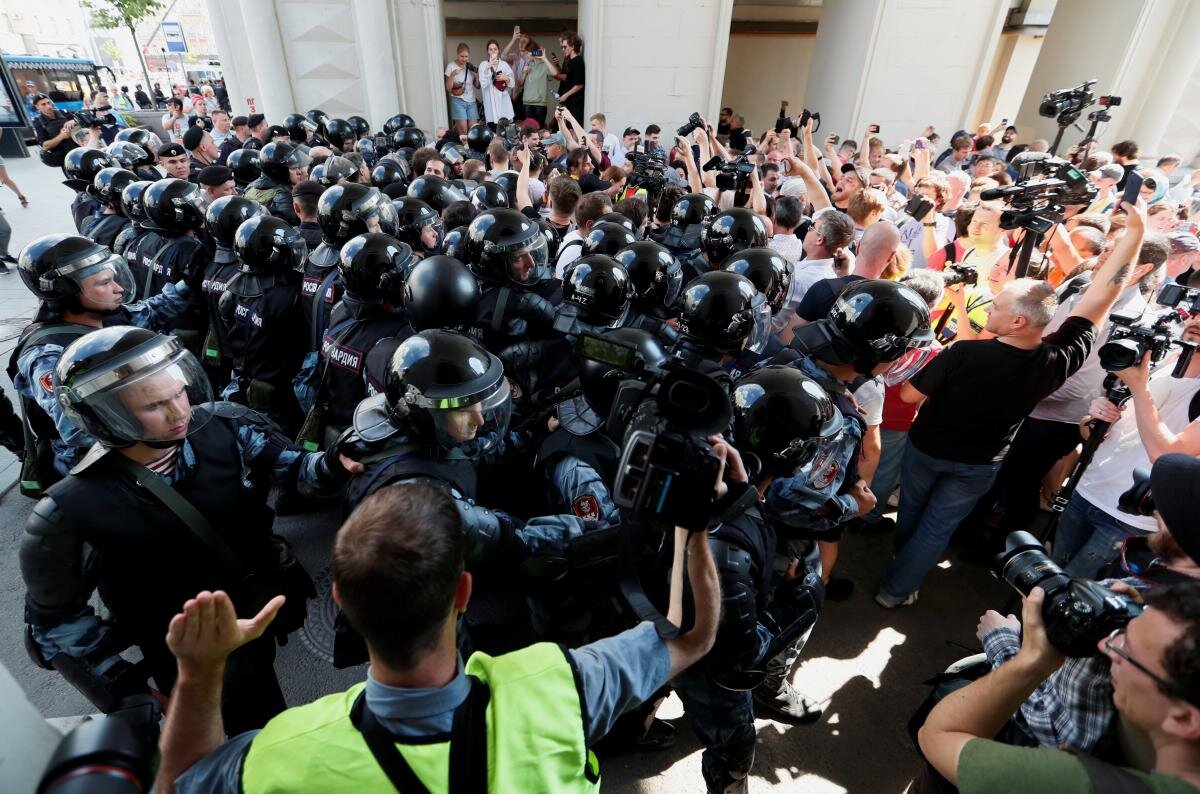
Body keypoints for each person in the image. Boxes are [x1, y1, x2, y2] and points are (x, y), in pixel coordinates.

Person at [152, 475, 720, 793]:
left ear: (342, 601)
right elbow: (691, 635)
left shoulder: (281, 755)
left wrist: (200, 670)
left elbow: (179, 785)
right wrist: (695, 529)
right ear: (463, 594)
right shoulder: (559, 685)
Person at [21, 326, 358, 737]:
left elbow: (299, 471)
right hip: (183, 658)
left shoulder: (226, 428)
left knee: (268, 725)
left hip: (253, 619)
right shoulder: (68, 512)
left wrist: (341, 459)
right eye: (154, 406)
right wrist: (127, 692)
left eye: (179, 393)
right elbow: (54, 626)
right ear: (106, 417)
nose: (179, 412)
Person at [875, 200, 1148, 608]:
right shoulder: (1057, 360)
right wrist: (1135, 238)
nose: (992, 310)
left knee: (914, 511)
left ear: (1019, 320)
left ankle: (901, 568)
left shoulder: (963, 353)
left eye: (999, 307)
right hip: (980, 463)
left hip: (928, 448)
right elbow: (1103, 296)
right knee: (939, 525)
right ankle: (896, 589)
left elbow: (912, 395)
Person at [973, 452, 1200, 759]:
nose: (1155, 510)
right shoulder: (1157, 596)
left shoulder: (1136, 618)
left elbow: (1062, 733)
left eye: (1166, 514)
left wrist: (1003, 642)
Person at [919, 580, 1200, 794]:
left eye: (1127, 650)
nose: (1105, 645)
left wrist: (1031, 661)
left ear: (1185, 718)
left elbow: (938, 734)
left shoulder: (1071, 783)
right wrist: (1147, 632)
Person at [1052, 308, 1200, 578]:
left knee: (1072, 598)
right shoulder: (1158, 357)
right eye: (1198, 311)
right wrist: (1095, 417)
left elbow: (1167, 456)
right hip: (1086, 491)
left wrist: (1139, 386)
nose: (1198, 320)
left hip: (1130, 519)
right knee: (1048, 580)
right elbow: (1093, 433)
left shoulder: (1147, 374)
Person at [30, 93, 91, 167]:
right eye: (43, 104)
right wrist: (61, 136)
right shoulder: (38, 122)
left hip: (82, 149)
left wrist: (74, 121)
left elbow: (83, 118)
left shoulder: (64, 113)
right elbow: (45, 146)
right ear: (37, 107)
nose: (48, 106)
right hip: (67, 159)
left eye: (48, 103)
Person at [546, 31, 585, 123]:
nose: (563, 49)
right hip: (570, 102)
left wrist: (565, 95)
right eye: (562, 47)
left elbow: (579, 84)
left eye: (565, 47)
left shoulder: (577, 61)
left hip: (576, 102)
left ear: (572, 46)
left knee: (574, 128)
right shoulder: (571, 61)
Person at [445, 43, 480, 135]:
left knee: (474, 130)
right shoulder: (451, 66)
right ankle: (462, 147)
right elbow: (448, 88)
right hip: (458, 100)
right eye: (462, 56)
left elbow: (478, 86)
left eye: (466, 56)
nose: (464, 59)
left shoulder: (470, 67)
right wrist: (452, 75)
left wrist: (476, 75)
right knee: (463, 131)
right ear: (457, 54)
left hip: (471, 101)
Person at [479, 39, 515, 126]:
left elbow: (512, 83)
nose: (493, 51)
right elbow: (483, 84)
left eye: (495, 49)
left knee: (507, 131)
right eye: (490, 49)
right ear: (487, 51)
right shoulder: (483, 65)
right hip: (490, 103)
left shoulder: (504, 65)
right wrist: (488, 68)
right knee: (493, 131)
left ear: (498, 50)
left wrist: (506, 78)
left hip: (503, 102)